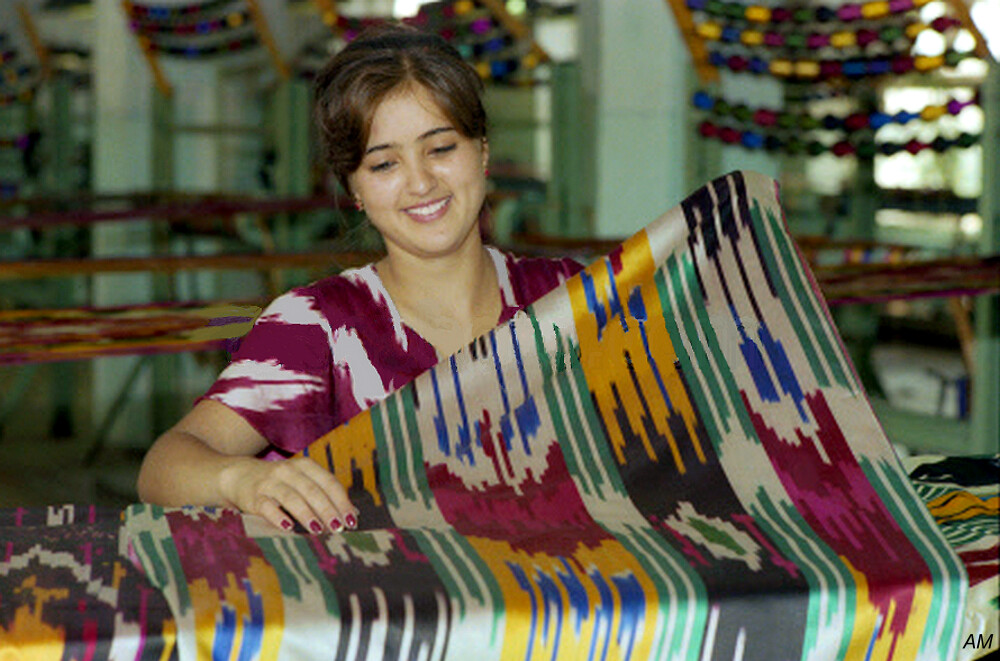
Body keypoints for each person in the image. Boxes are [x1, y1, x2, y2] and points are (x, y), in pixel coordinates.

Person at [136, 23, 583, 534]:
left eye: (441, 148)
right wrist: (240, 479)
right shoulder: (320, 327)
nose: (420, 182)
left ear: (482, 152)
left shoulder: (570, 300)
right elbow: (165, 465)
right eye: (384, 164)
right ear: (355, 190)